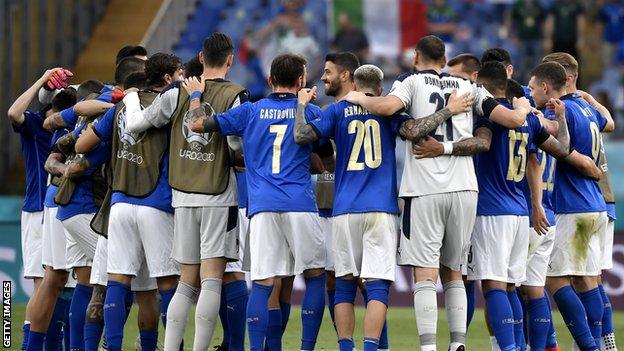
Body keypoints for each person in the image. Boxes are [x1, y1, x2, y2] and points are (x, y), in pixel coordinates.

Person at [343, 35, 531, 351]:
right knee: (454, 271)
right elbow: (511, 120)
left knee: (425, 273)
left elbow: (388, 107)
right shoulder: (469, 87)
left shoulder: (410, 80)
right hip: (466, 189)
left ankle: (429, 347)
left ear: (416, 56)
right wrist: (523, 106)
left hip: (424, 190)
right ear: (444, 61)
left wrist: (358, 98)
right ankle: (458, 343)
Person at [186, 53, 331, 351]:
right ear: (301, 81)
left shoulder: (250, 112)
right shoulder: (312, 112)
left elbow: (197, 125)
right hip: (300, 204)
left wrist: (196, 94)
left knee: (263, 284)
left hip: (262, 206)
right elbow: (326, 158)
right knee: (315, 276)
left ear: (269, 80)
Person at [121, 32, 248, 351]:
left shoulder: (175, 92)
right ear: (230, 60)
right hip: (218, 195)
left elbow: (137, 125)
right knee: (212, 280)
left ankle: (171, 346)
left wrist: (131, 95)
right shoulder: (236, 94)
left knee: (186, 282)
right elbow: (236, 146)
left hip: (182, 196)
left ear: (202, 57)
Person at [74, 53, 185, 351]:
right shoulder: (173, 105)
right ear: (167, 78)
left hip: (119, 203)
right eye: (179, 73)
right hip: (156, 203)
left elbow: (81, 144)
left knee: (117, 281)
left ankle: (112, 346)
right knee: (162, 285)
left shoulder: (122, 106)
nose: (182, 77)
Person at [465, 62, 573, 351]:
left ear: (484, 86)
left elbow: (482, 144)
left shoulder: (489, 115)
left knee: (494, 286)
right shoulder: (529, 120)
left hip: (492, 210)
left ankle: (510, 348)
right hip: (519, 211)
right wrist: (560, 119)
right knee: (513, 285)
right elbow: (562, 149)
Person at [529, 62, 609, 351]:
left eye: (534, 84)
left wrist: (583, 162)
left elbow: (559, 148)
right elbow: (608, 124)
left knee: (553, 281)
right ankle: (596, 344)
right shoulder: (586, 109)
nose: (531, 89)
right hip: (594, 203)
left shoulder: (562, 110)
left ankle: (589, 346)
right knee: (589, 281)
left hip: (571, 204)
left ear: (548, 85)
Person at [8, 69, 76, 350]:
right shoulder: (35, 123)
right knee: (43, 285)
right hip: (37, 212)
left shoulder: (73, 128)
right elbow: (13, 113)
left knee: (64, 287)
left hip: (67, 210)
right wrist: (41, 78)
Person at [508, 0, 547, 80]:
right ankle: (520, 86)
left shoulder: (539, 6)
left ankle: (538, 83)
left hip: (536, 39)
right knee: (521, 65)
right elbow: (510, 20)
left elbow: (545, 23)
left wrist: (545, 38)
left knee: (537, 64)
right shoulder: (518, 5)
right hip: (522, 39)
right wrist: (512, 36)